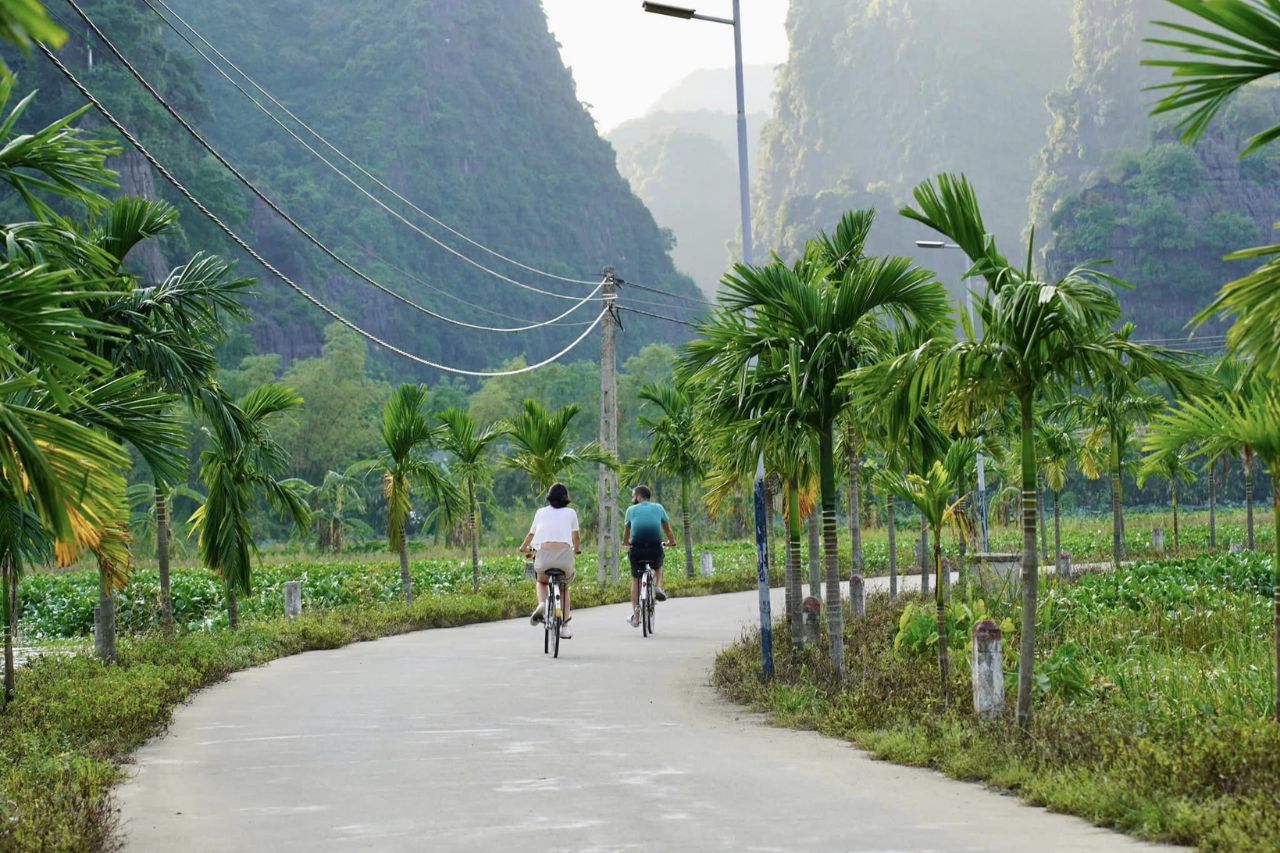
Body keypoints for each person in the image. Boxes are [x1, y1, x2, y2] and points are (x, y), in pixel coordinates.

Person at [519, 483, 580, 639]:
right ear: (566, 498)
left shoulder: (541, 512)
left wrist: (524, 547)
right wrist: (577, 550)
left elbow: (532, 534)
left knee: (542, 581)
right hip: (564, 557)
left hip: (544, 556)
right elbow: (576, 537)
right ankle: (565, 627)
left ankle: (542, 604)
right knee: (564, 587)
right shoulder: (571, 513)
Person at [622, 484, 677, 628]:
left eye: (634, 496)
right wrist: (672, 542)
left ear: (639, 497)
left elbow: (626, 532)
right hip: (654, 549)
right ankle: (658, 586)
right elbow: (667, 529)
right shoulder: (658, 508)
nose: (633, 498)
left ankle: (636, 617)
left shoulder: (630, 510)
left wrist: (626, 543)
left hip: (637, 550)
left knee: (636, 580)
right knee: (658, 566)